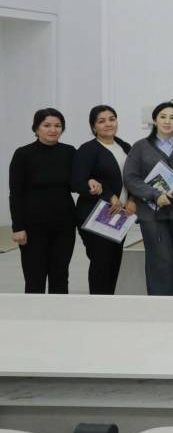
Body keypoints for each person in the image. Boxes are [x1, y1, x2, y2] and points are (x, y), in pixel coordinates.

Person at [124, 102, 173, 296]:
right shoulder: (140, 147)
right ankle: (160, 306)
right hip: (151, 214)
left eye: (172, 117)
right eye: (163, 117)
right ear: (154, 120)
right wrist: (155, 195)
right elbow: (130, 178)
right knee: (161, 261)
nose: (167, 121)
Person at [8, 108, 76, 294]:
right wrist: (17, 227)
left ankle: (58, 312)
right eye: (47, 125)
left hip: (64, 225)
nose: (53, 130)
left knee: (60, 275)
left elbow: (78, 181)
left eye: (58, 126)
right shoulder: (23, 154)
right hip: (33, 226)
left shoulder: (69, 152)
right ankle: (33, 312)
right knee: (34, 277)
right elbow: (15, 193)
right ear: (36, 128)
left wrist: (91, 181)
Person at [71, 105, 135, 294]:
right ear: (93, 127)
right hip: (96, 216)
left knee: (114, 264)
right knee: (101, 265)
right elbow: (77, 182)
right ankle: (98, 305)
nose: (108, 124)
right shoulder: (88, 149)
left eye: (112, 119)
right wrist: (108, 195)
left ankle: (109, 304)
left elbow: (133, 178)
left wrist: (133, 199)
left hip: (120, 216)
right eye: (102, 121)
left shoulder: (125, 147)